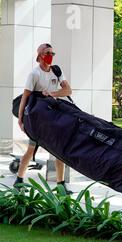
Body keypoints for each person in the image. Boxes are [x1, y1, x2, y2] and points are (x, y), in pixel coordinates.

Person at [14, 43, 73, 194]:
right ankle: (19, 180)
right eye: (47, 53)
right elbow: (25, 98)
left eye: (52, 53)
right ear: (40, 55)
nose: (50, 56)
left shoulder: (56, 71)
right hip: (38, 119)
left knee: (58, 150)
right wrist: (20, 120)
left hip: (54, 115)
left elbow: (68, 90)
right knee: (31, 149)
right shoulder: (34, 74)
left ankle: (60, 185)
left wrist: (52, 94)